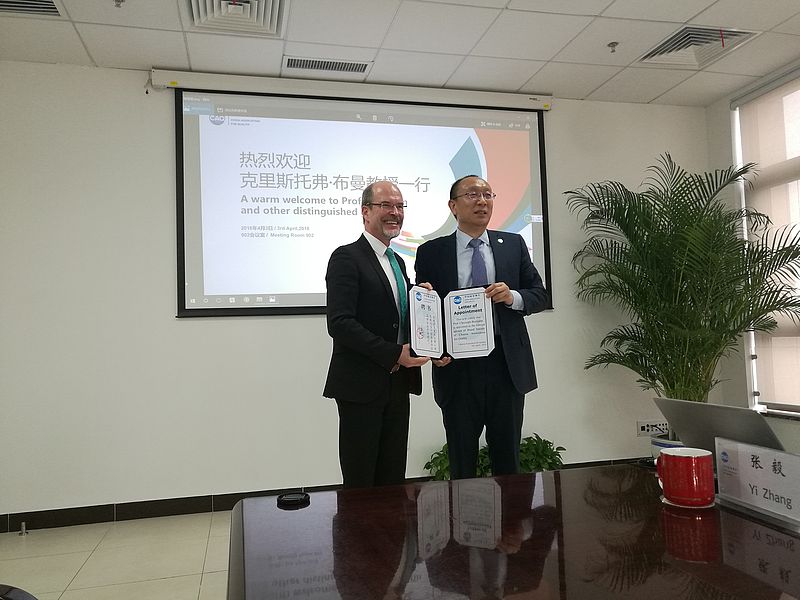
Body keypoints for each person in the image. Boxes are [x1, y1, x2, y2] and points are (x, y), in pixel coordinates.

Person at [414, 175, 549, 479]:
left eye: (488, 195)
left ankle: (510, 513)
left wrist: (512, 297)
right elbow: (425, 307)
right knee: (462, 459)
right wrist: (433, 349)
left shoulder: (512, 245)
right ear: (453, 206)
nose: (482, 201)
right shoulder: (431, 251)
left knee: (508, 458)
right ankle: (463, 512)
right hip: (457, 366)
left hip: (506, 364)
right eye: (473, 195)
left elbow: (539, 295)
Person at [324, 180, 430, 488]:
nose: (395, 212)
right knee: (361, 482)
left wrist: (419, 298)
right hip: (360, 386)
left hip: (397, 384)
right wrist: (394, 353)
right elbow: (340, 323)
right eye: (386, 205)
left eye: (399, 206)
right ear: (365, 212)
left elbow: (393, 314)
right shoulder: (346, 257)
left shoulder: (397, 261)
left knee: (392, 479)